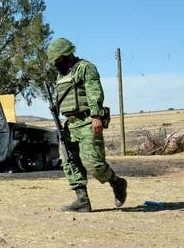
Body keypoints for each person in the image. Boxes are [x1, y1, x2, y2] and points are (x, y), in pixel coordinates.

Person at [46, 38, 127, 212]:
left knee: (93, 163)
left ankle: (117, 182)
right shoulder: (62, 75)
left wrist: (96, 116)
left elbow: (94, 92)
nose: (56, 64)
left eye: (58, 60)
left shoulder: (85, 68)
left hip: (87, 121)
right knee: (69, 162)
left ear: (67, 55)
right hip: (69, 124)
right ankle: (82, 200)